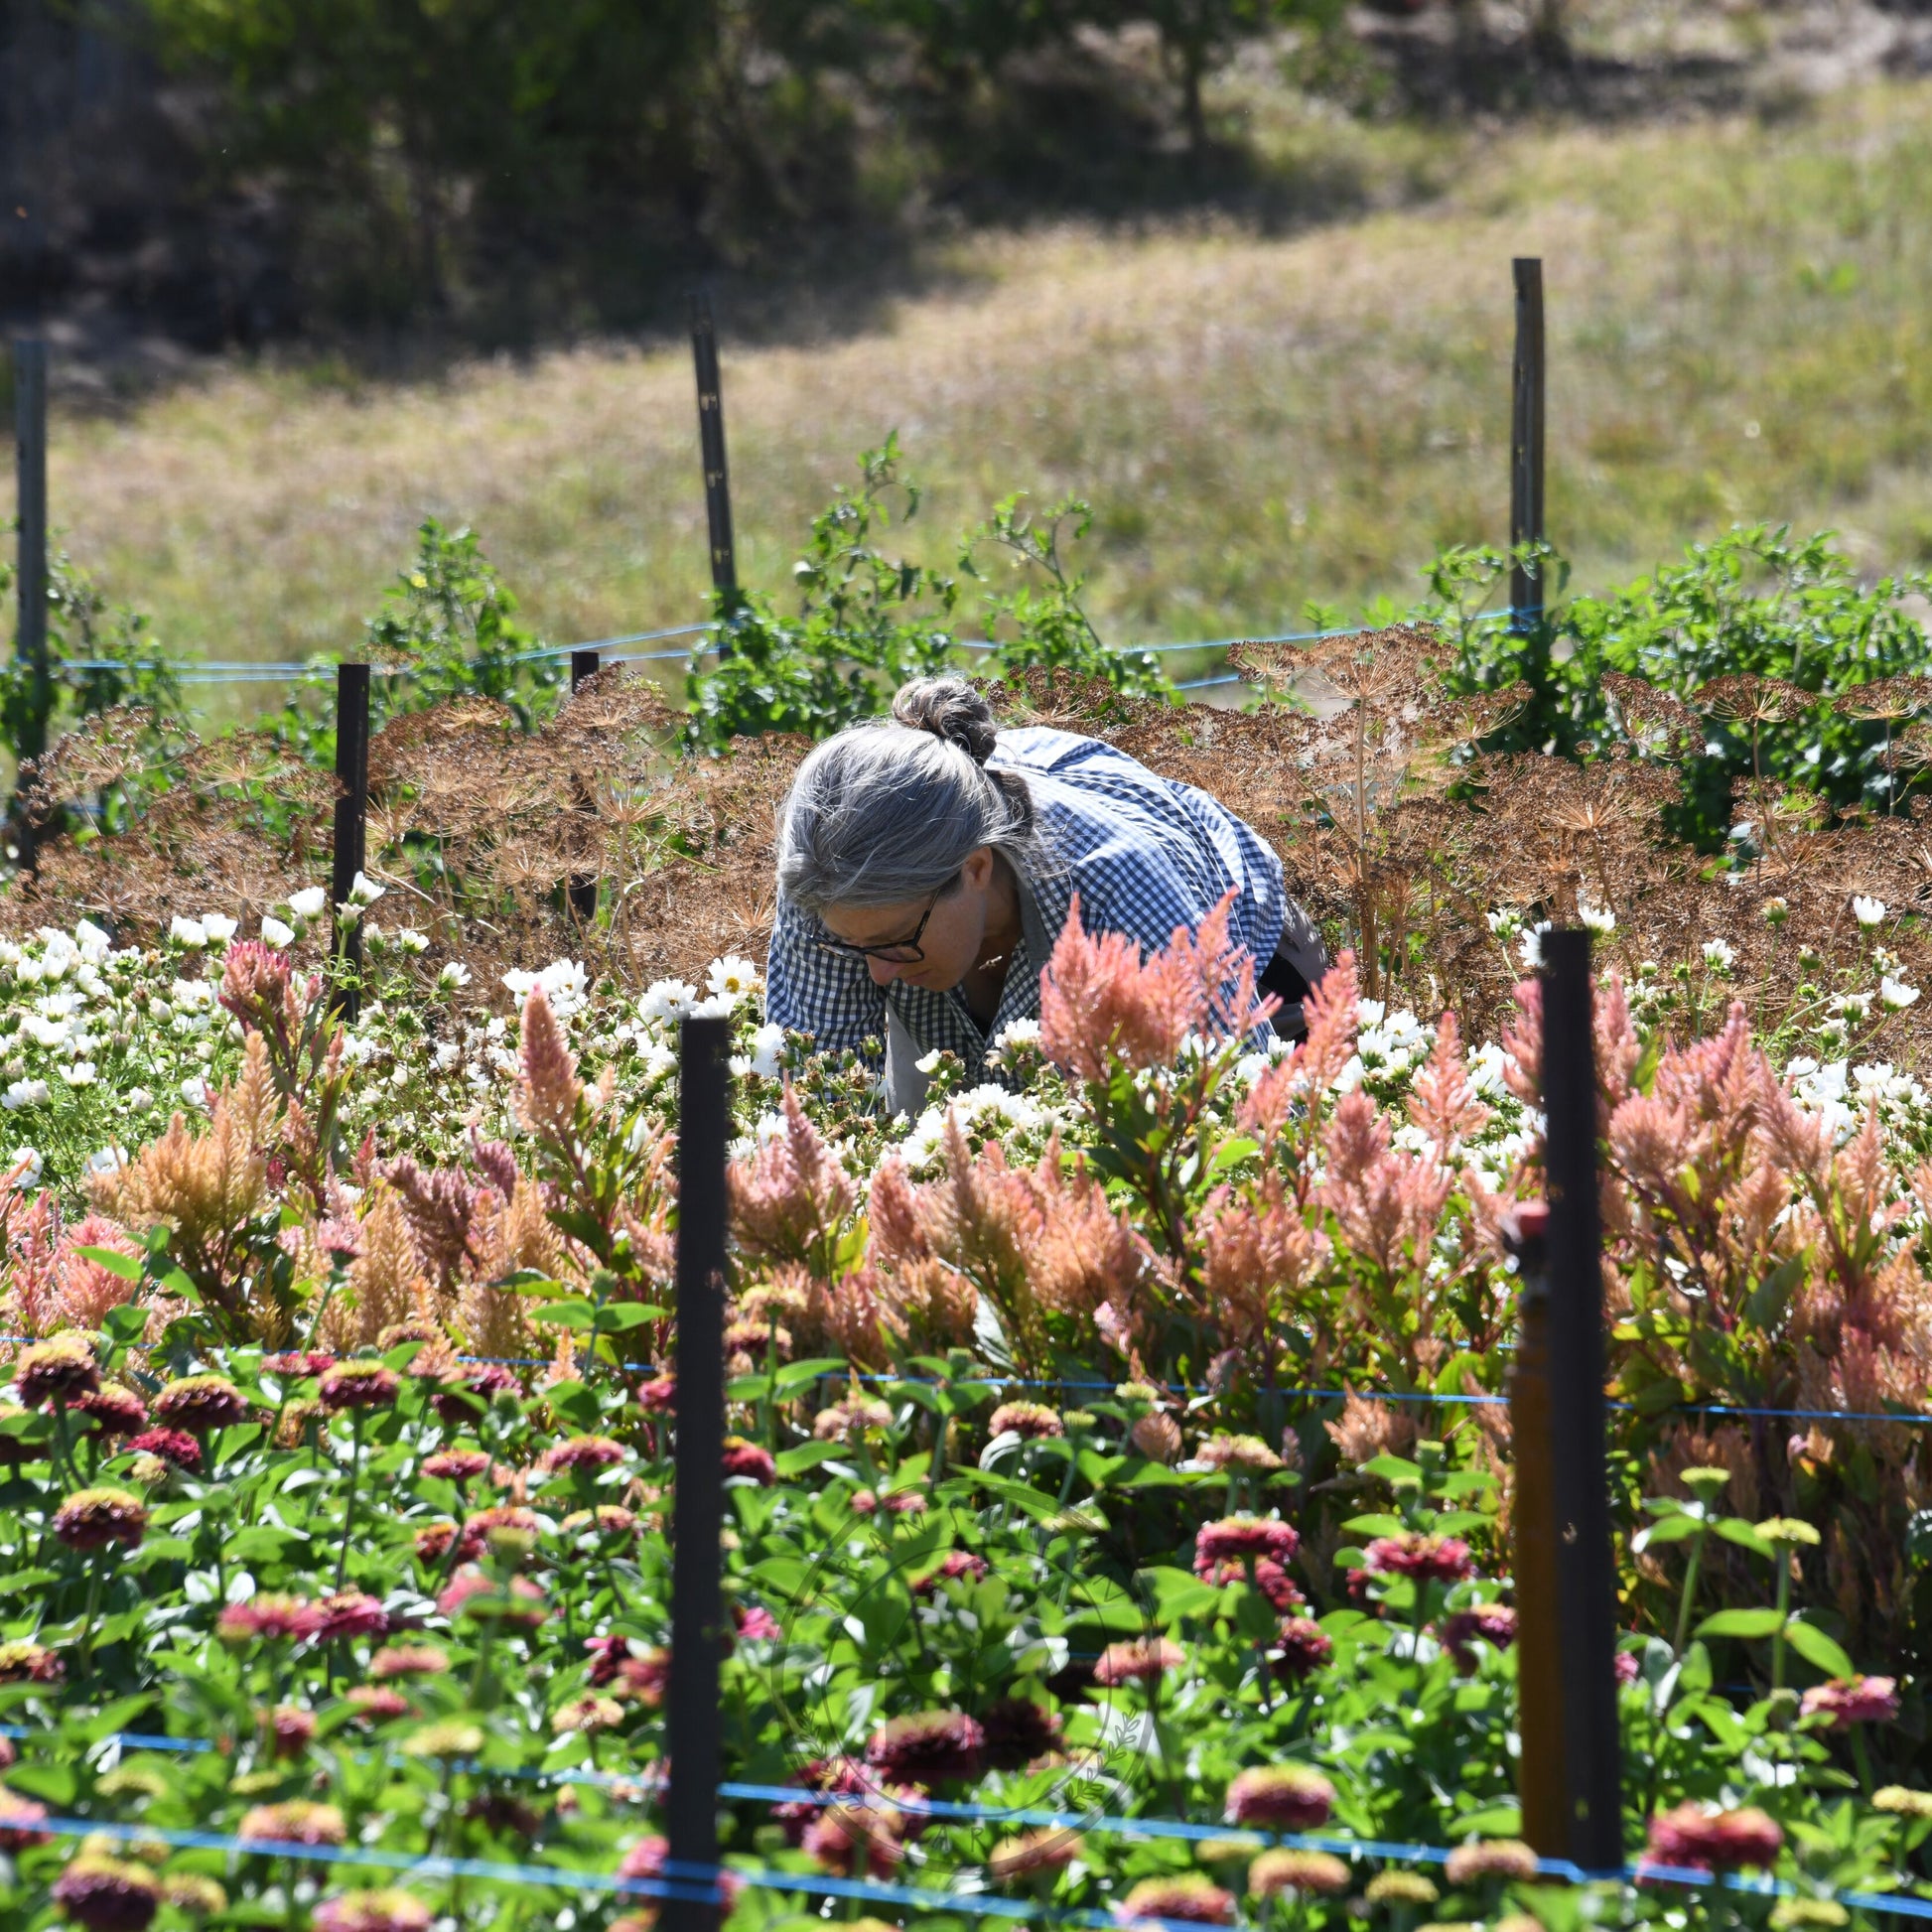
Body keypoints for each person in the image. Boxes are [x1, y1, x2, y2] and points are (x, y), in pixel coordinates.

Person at [765, 676, 1327, 1114]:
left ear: (975, 868)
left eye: (894, 943)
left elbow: (1235, 1116)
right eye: (853, 947)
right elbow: (817, 1106)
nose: (878, 975)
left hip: (1239, 942)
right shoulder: (829, 874)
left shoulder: (1124, 894)